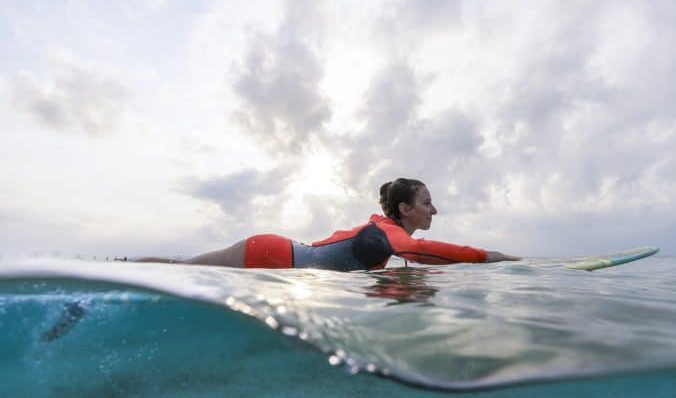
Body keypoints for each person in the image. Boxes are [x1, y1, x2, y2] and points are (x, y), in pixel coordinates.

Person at [133, 178, 521, 270]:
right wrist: (492, 257)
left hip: (277, 254)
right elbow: (416, 251)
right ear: (404, 208)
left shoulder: (385, 235)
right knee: (181, 271)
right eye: (427, 203)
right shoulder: (389, 233)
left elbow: (415, 261)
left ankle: (121, 268)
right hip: (273, 253)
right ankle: (118, 269)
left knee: (180, 271)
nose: (434, 210)